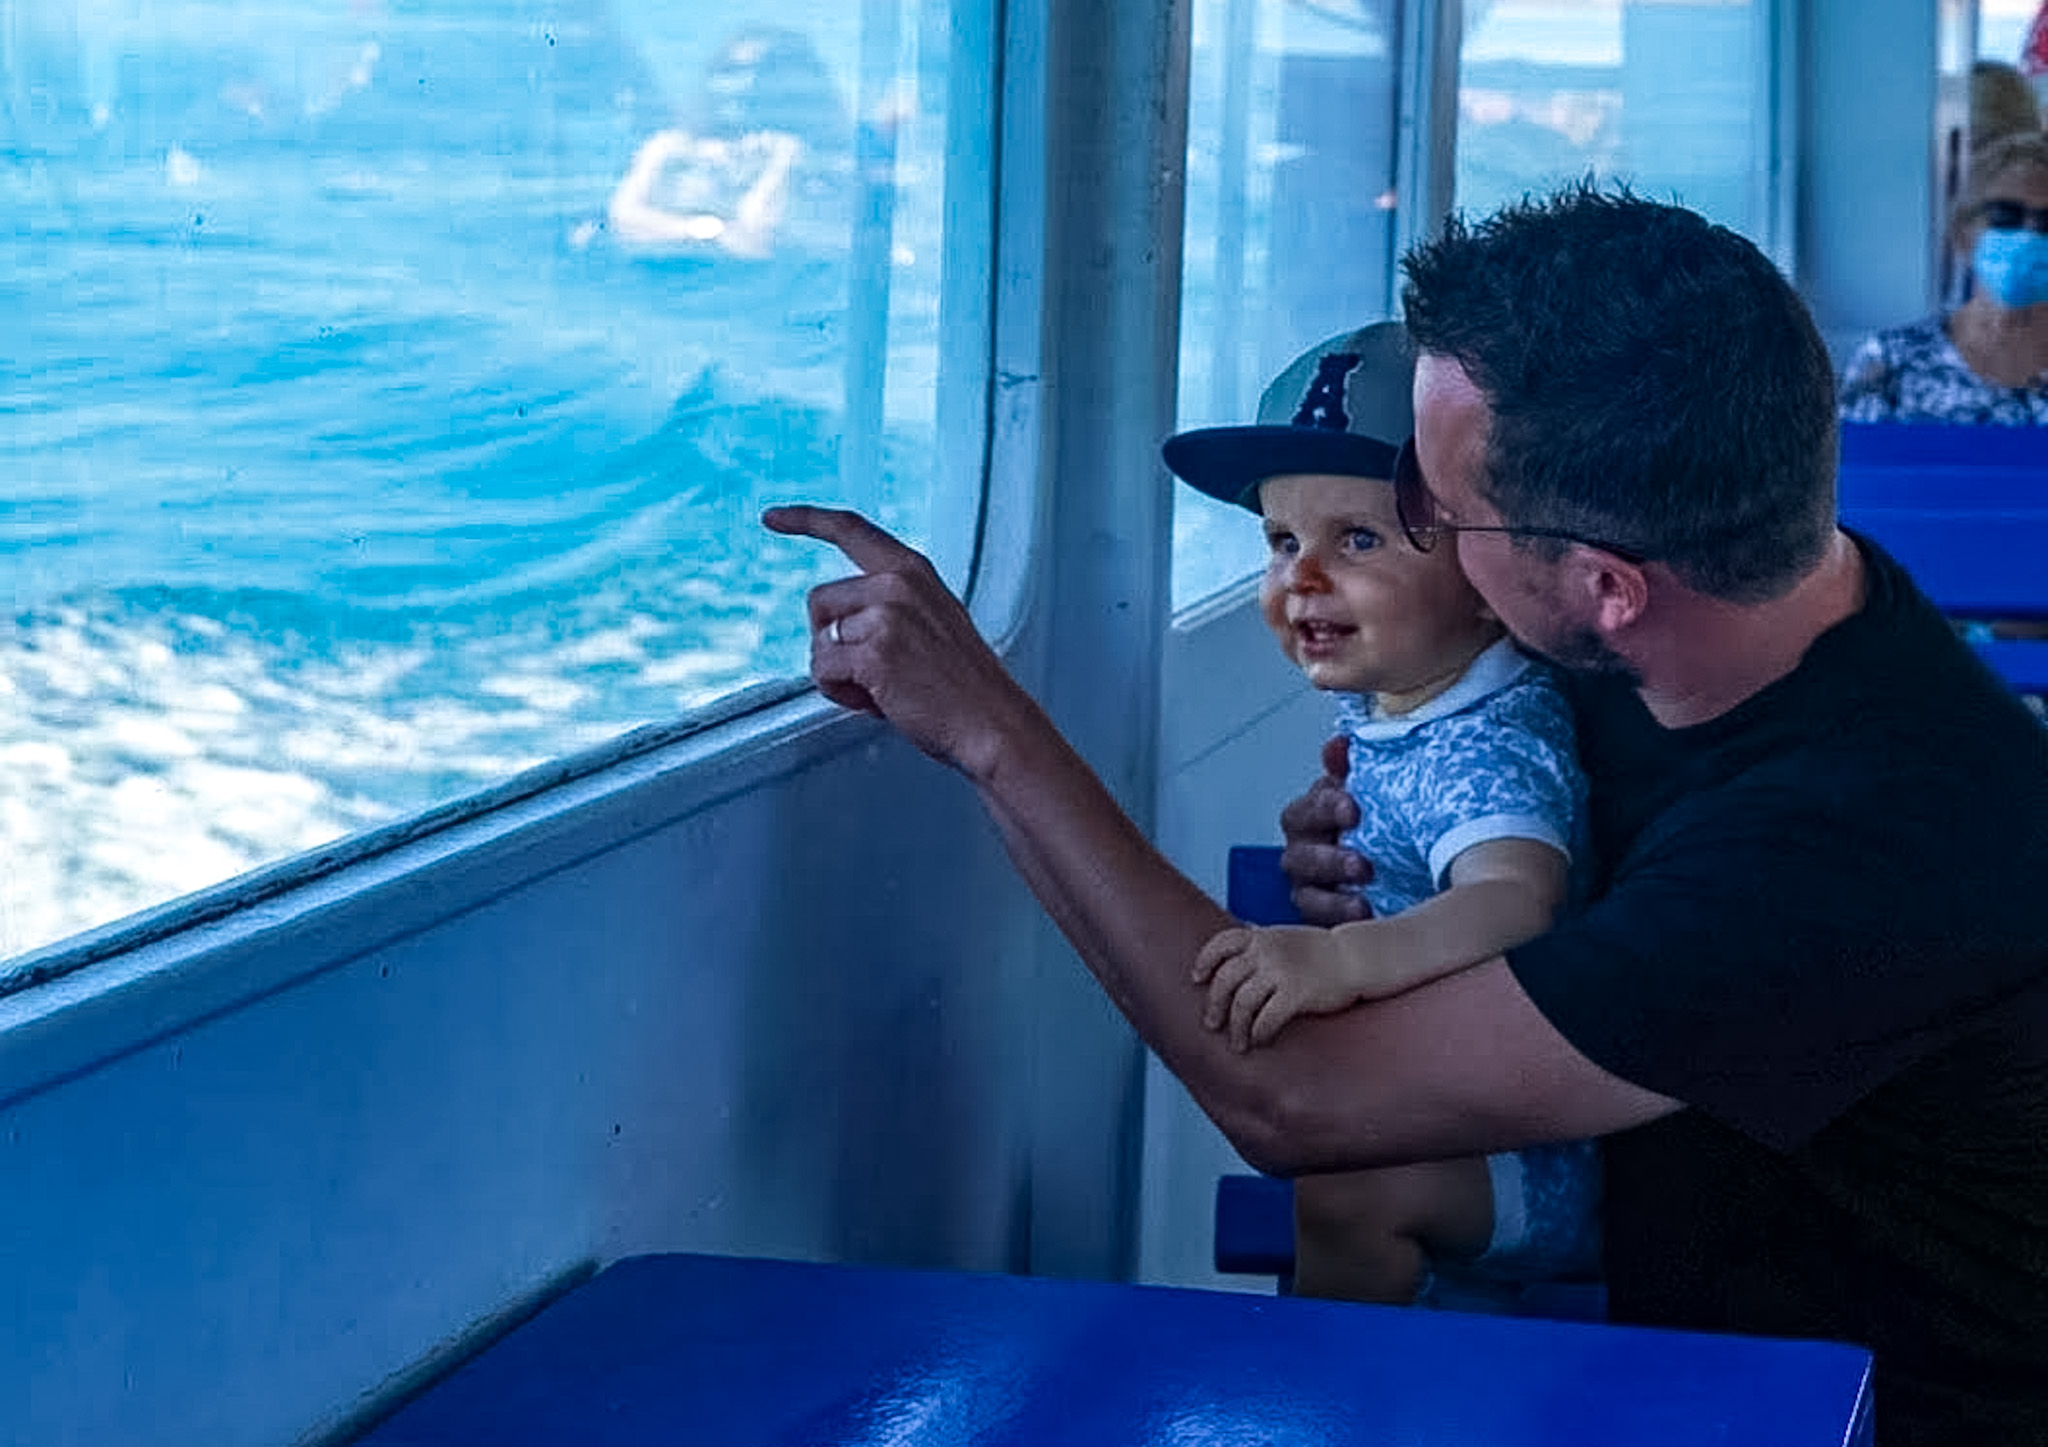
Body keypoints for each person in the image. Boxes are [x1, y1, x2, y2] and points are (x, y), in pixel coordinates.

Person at [766, 185, 2048, 1446]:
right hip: (1697, 1352)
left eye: (1430, 509)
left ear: (1605, 584)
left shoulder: (1857, 844)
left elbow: (1296, 1105)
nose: (1414, 525)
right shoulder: (1700, 640)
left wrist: (992, 731)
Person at [1161, 319, 1596, 1305]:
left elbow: (1514, 898)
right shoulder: (1415, 700)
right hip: (1447, 1107)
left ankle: (1332, 1398)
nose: (1301, 577)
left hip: (1522, 1155)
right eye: (1280, 541)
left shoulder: (1488, 738)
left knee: (1346, 1192)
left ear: (1493, 577)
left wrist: (1337, 961)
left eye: (1355, 539)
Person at [1839, 131, 2048, 423]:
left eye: (2047, 221)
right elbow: (1850, 464)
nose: (2029, 234)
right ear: (1963, 235)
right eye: (2005, 215)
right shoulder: (1893, 363)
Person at [606, 28, 848, 260]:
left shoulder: (814, 161)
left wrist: (782, 165)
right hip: (668, 281)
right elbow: (623, 217)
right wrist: (709, 230)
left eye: (764, 72)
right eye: (733, 71)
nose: (747, 83)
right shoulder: (671, 147)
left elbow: (756, 237)